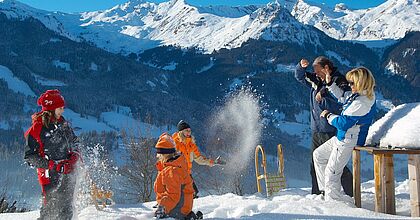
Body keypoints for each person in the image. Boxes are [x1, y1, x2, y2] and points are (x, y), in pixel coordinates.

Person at [313, 67, 376, 201]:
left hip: (349, 139)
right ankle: (326, 192)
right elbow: (343, 97)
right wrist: (330, 85)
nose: (349, 85)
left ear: (361, 83)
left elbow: (343, 123)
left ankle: (333, 204)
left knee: (332, 172)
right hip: (343, 136)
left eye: (352, 83)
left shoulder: (362, 102)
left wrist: (328, 115)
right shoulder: (358, 95)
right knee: (318, 155)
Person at [295, 56, 353, 196]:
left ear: (326, 68)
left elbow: (342, 98)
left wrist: (324, 92)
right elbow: (300, 77)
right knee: (315, 164)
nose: (315, 73)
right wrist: (301, 67)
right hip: (317, 129)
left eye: (317, 70)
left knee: (337, 165)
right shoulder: (316, 80)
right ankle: (318, 193)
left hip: (331, 129)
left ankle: (351, 192)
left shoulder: (339, 80)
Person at [24, 89, 80, 220]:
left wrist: (73, 158)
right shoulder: (37, 129)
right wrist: (51, 165)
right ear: (51, 109)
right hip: (49, 176)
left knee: (66, 210)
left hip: (68, 171)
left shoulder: (62, 123)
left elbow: (75, 142)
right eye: (60, 108)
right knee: (50, 211)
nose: (62, 110)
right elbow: (29, 157)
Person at [154, 133, 202, 220]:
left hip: (177, 210)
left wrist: (163, 207)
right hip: (183, 207)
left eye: (159, 155)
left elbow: (173, 195)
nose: (158, 157)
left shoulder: (171, 171)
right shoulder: (177, 164)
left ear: (163, 155)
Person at [172, 120, 225, 198]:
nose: (189, 132)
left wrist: (213, 162)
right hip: (176, 173)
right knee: (183, 194)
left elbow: (199, 158)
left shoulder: (191, 144)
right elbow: (167, 157)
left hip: (187, 173)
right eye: (186, 131)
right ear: (181, 132)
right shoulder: (174, 143)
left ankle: (188, 208)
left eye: (190, 130)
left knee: (193, 192)